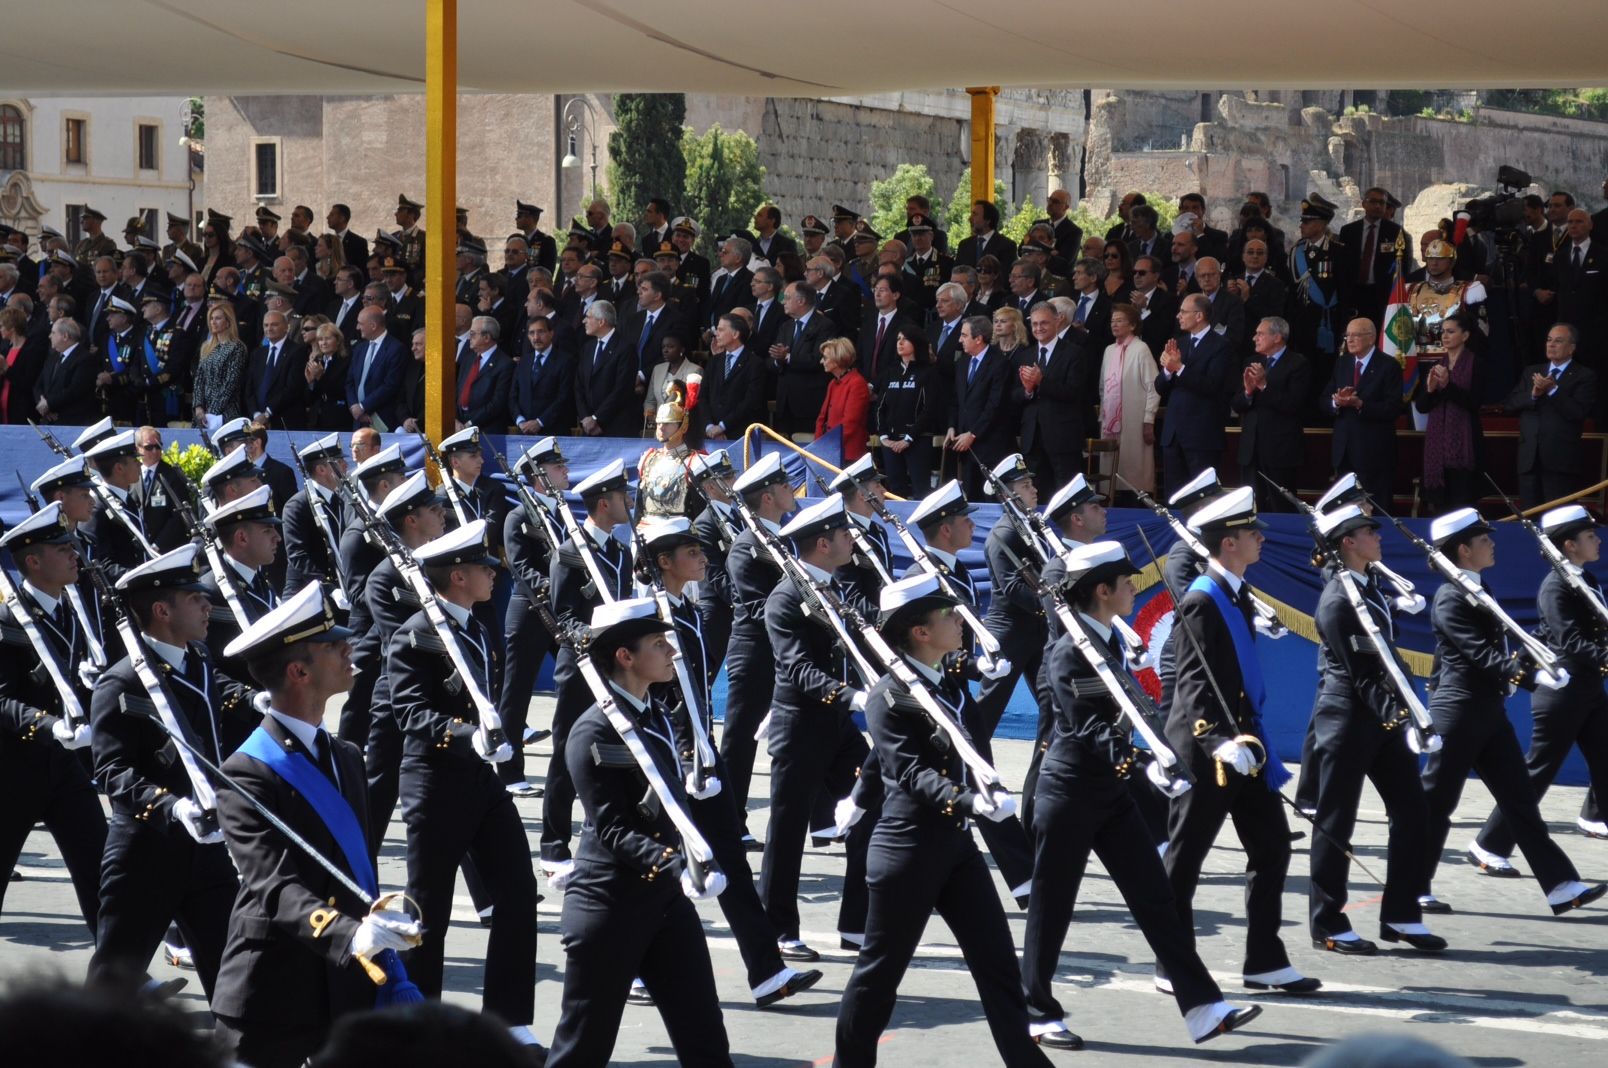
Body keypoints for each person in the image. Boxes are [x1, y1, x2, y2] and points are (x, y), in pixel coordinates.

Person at [1023, 543, 1261, 1049]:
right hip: (1069, 794)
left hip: (1109, 793)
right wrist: (1143, 763)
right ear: (1102, 590)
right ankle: (1037, 1011)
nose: (1135, 588)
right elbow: (1086, 726)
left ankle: (1202, 1008)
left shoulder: (1105, 637)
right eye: (1126, 582)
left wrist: (1161, 755)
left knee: (1156, 898)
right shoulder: (1070, 649)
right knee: (1052, 905)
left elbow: (1132, 714)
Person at [834, 575, 1054, 1067]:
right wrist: (969, 802)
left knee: (997, 965)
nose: (960, 622)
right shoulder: (888, 696)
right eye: (949, 617)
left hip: (954, 849)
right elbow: (907, 769)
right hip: (907, 851)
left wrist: (860, 795)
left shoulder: (942, 682)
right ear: (920, 632)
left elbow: (900, 759)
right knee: (878, 976)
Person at [209, 583, 418, 1068]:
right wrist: (349, 934)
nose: (350, 649)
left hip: (344, 989)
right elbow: (273, 884)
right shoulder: (247, 772)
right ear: (299, 671)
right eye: (333, 645)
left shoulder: (346, 757)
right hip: (272, 991)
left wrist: (377, 918)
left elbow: (354, 864)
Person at [544, 597, 733, 1066]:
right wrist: (675, 867)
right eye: (657, 643)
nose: (672, 651)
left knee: (705, 1038)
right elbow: (612, 828)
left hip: (665, 906)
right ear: (625, 657)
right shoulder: (594, 733)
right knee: (582, 1050)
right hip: (610, 907)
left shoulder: (654, 715)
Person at [387, 521, 542, 1053]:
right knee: (428, 910)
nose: (494, 576)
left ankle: (509, 1020)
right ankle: (418, 1028)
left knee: (519, 895)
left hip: (483, 782)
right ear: (458, 576)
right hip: (436, 783)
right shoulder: (415, 634)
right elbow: (409, 712)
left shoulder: (476, 625)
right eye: (485, 568)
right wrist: (468, 735)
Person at [1161, 487, 1321, 995]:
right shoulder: (1202, 599)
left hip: (1246, 742)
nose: (1260, 539)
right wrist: (1217, 742)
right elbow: (1192, 684)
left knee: (1272, 847)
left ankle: (1264, 960)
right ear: (1228, 543)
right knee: (1184, 859)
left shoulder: (1235, 592)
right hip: (1210, 750)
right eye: (1252, 533)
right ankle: (1172, 962)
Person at [88, 544, 258, 1001]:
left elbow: (217, 692)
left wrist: (258, 700)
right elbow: (112, 772)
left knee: (233, 975)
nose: (208, 604)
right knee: (112, 984)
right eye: (195, 598)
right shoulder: (121, 682)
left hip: (205, 851)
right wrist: (172, 806)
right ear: (162, 610)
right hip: (146, 853)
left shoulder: (196, 658)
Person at [1417, 508, 1605, 917]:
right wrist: (1531, 676)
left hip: (1488, 710)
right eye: (1484, 540)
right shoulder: (1451, 597)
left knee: (1520, 799)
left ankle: (1560, 885)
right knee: (1436, 804)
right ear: (1463, 550)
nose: (1492, 544)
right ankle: (1413, 886)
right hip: (1459, 710)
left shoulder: (1478, 588)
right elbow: (1480, 655)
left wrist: (1531, 667)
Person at [1306, 505, 1445, 956]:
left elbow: (1386, 660)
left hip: (1379, 717)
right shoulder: (1337, 599)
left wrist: (1405, 715)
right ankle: (1327, 921)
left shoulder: (1367, 586)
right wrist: (1406, 718)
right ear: (1348, 542)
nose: (1378, 537)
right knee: (1336, 822)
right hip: (1347, 718)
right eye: (1370, 531)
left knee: (1413, 812)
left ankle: (1402, 914)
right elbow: (1361, 674)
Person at [761, 496, 874, 961]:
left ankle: (856, 926)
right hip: (802, 726)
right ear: (823, 543)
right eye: (845, 534)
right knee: (787, 833)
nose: (853, 540)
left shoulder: (830, 586)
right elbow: (800, 670)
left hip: (837, 727)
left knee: (869, 810)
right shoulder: (787, 597)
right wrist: (854, 696)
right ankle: (778, 928)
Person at [1469, 505, 1608, 871]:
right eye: (1590, 536)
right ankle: (1488, 846)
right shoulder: (1556, 586)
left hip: (1589, 687)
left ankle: (1595, 816)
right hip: (1563, 689)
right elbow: (1570, 641)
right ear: (1570, 545)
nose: (1598, 540)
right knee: (1536, 774)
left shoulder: (1586, 580)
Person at [0, 504, 106, 937]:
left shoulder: (73, 608)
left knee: (100, 869)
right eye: (62, 548)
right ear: (33, 561)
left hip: (65, 768)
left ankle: (121, 977)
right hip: (13, 769)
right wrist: (48, 725)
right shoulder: (8, 618)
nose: (74, 554)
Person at [541, 461, 637, 881]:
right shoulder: (570, 552)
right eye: (622, 496)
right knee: (567, 753)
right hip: (581, 665)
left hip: (618, 665)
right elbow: (562, 617)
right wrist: (601, 637)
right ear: (604, 502)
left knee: (622, 752)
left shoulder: (620, 551)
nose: (628, 502)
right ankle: (553, 844)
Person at [1506, 323, 1599, 509]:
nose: (1551, 345)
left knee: (1559, 520)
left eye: (1558, 341)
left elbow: (1578, 412)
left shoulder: (1584, 375)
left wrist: (1553, 390)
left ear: (1572, 348)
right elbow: (1510, 404)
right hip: (1529, 460)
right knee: (1530, 518)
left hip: (1560, 462)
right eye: (1549, 340)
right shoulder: (1531, 371)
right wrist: (1533, 394)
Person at [1156, 294, 1234, 495]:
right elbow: (1160, 387)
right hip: (1173, 434)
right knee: (1174, 496)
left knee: (1203, 496)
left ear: (1199, 315)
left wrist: (1179, 367)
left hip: (1202, 434)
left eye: (1183, 311)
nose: (1178, 316)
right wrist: (1167, 370)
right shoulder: (1179, 343)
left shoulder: (1221, 345)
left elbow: (1212, 385)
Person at [1232, 316, 1311, 512]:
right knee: (1251, 507)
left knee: (1280, 506)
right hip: (1251, 450)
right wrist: (1249, 392)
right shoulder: (1251, 362)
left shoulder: (1297, 363)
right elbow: (1236, 403)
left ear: (1277, 337)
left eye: (1260, 334)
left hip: (1280, 451)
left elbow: (1294, 404)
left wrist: (1264, 386)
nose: (1254, 338)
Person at [1412, 312, 1486, 512]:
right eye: (1443, 331)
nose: (1444, 336)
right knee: (1440, 509)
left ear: (1465, 336)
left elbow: (1474, 403)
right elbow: (1422, 406)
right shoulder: (1435, 365)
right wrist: (1430, 390)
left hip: (1465, 445)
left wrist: (1447, 385)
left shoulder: (1475, 363)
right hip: (1437, 449)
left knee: (1463, 505)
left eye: (1451, 331)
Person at [1326, 318, 1403, 508]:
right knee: (1345, 511)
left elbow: (1393, 408)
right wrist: (1336, 402)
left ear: (1371, 338)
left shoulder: (1389, 365)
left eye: (1355, 335)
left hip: (1374, 452)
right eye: (1347, 335)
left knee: (1375, 511)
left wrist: (1361, 404)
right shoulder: (1342, 363)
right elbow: (1323, 399)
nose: (1349, 340)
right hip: (1344, 452)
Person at [1015, 300, 1090, 495]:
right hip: (1032, 438)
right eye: (1035, 324)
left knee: (1066, 495)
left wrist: (1042, 382)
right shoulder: (1025, 355)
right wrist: (1028, 390)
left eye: (1044, 323)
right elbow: (1012, 395)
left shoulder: (1074, 353)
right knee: (1035, 494)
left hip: (1063, 438)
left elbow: (1074, 392)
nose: (1039, 328)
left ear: (1057, 322)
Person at [1095, 302, 1158, 499]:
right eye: (1113, 321)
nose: (1114, 324)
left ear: (1132, 325)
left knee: (1134, 471)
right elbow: (1103, 387)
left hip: (1134, 420)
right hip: (1110, 421)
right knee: (1111, 470)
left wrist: (1149, 419)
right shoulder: (1108, 350)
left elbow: (1153, 386)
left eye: (1120, 321)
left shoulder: (1141, 349)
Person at [947, 316, 1014, 500]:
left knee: (992, 498)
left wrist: (973, 433)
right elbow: (956, 399)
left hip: (990, 445)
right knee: (972, 498)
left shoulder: (1000, 363)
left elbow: (995, 405)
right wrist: (952, 426)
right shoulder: (962, 363)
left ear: (978, 338)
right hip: (966, 446)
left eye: (964, 335)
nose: (960, 339)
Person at [876, 324, 938, 498]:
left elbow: (929, 409)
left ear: (916, 343)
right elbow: (880, 407)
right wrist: (884, 436)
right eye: (898, 339)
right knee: (895, 490)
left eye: (905, 339)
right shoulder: (891, 372)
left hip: (917, 441)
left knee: (921, 491)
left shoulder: (928, 373)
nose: (900, 343)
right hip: (890, 442)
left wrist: (909, 437)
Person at [637, 382, 698, 520]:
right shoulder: (647, 458)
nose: (661, 428)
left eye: (667, 423)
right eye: (659, 423)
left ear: (683, 425)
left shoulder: (695, 461)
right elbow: (639, 507)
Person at [192, 301, 248, 433]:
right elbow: (199, 380)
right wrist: (199, 407)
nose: (213, 322)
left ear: (228, 321)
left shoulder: (237, 347)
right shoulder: (207, 347)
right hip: (203, 414)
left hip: (226, 413)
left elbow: (231, 383)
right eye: (211, 318)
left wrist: (212, 412)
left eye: (218, 318)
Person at [816, 336, 872, 460]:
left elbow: (850, 423)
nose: (821, 361)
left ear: (837, 359)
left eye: (825, 358)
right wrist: (818, 446)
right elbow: (822, 418)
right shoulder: (833, 383)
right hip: (829, 450)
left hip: (847, 453)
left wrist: (828, 445)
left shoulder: (856, 383)